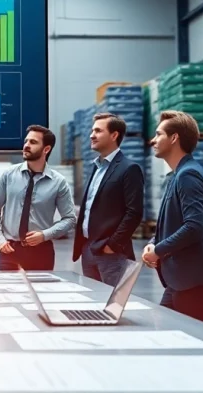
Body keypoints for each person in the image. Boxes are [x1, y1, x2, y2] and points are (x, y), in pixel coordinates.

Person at [143, 110, 203, 326]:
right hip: (180, 282)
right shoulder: (179, 175)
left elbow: (194, 227)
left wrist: (159, 250)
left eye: (158, 134)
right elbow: (171, 223)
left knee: (194, 350)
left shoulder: (188, 175)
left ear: (174, 138)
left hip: (193, 282)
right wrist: (153, 244)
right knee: (167, 335)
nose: (153, 140)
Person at [0, 125, 76, 271]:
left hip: (41, 251)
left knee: (39, 293)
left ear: (46, 149)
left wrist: (44, 235)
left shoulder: (58, 182)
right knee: (4, 293)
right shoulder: (8, 175)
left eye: (33, 142)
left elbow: (70, 219)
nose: (26, 145)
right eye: (26, 141)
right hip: (9, 250)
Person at [72, 112, 144, 286]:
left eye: (98, 131)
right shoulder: (97, 168)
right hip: (88, 249)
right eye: (92, 130)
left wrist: (112, 245)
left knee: (111, 307)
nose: (91, 135)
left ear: (114, 135)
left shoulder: (129, 168)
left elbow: (134, 212)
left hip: (111, 254)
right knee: (93, 306)